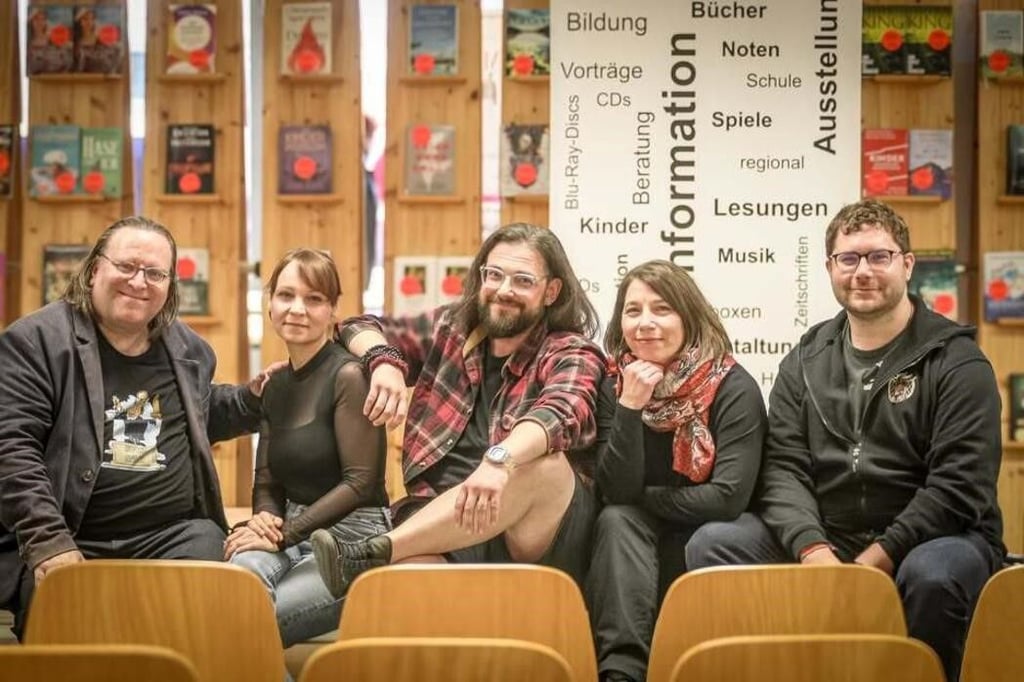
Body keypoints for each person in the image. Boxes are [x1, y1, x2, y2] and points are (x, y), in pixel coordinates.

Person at [686, 199, 1005, 682]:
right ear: (830, 267)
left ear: (907, 264)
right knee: (714, 546)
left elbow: (959, 487)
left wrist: (876, 559)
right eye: (849, 258)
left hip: (937, 538)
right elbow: (782, 468)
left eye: (879, 256)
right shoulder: (806, 359)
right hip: (830, 535)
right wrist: (814, 550)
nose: (863, 272)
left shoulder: (958, 361)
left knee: (933, 577)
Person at [0, 216, 268, 639]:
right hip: (71, 535)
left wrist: (254, 398)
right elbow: (12, 451)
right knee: (67, 648)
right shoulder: (35, 343)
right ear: (93, 271)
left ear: (169, 285)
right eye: (126, 266)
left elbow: (200, 414)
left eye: (155, 273)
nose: (139, 282)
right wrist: (49, 543)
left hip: (173, 536)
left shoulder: (189, 349)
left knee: (209, 627)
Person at [311, 223, 606, 597]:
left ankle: (374, 551)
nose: (503, 290)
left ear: (551, 291)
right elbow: (357, 326)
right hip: (442, 518)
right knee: (396, 591)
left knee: (544, 463)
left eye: (522, 280)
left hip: (528, 525)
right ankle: (378, 560)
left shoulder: (571, 350)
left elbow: (561, 411)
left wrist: (499, 461)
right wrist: (383, 360)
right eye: (494, 274)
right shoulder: (451, 328)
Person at [586, 260, 767, 682]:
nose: (645, 323)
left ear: (688, 316)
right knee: (616, 520)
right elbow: (615, 491)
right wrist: (631, 406)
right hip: (640, 529)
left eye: (661, 309)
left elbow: (727, 497)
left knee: (638, 518)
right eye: (633, 311)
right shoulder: (616, 384)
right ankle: (621, 673)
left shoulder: (732, 385)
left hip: (716, 528)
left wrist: (643, 499)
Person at [226, 249, 390, 646]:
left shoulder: (350, 376)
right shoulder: (275, 385)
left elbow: (361, 483)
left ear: (333, 311)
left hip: (353, 539)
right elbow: (266, 481)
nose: (297, 309)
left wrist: (282, 534)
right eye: (285, 296)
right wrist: (265, 520)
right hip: (288, 527)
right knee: (229, 595)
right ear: (269, 305)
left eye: (314, 299)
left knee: (247, 627)